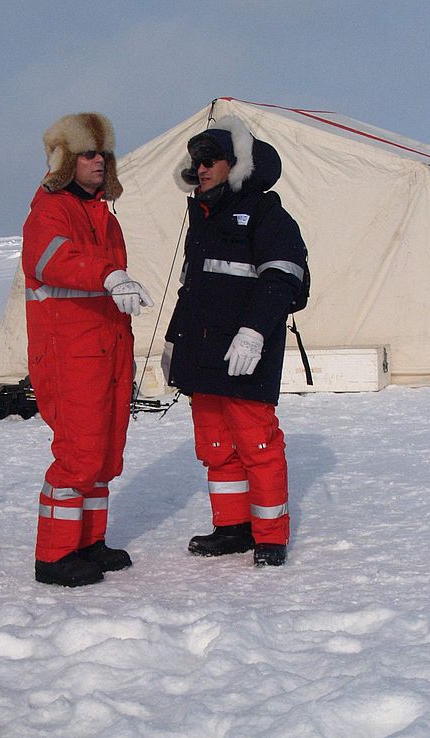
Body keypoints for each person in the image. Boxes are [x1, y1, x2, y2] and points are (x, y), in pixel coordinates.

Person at [163, 116, 307, 567]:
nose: (201, 168)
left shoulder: (267, 214)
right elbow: (193, 289)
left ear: (237, 164)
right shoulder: (204, 216)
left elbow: (285, 279)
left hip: (246, 355)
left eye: (211, 160)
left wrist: (254, 333)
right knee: (215, 446)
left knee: (257, 445)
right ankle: (233, 528)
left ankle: (269, 535)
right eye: (197, 161)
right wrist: (174, 344)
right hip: (203, 354)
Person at [22, 112, 153, 587]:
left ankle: (87, 541)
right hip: (69, 354)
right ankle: (54, 556)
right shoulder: (49, 210)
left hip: (106, 350)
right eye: (88, 154)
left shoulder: (102, 215)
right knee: (78, 453)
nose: (99, 161)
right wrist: (108, 274)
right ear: (65, 161)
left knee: (102, 453)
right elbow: (53, 258)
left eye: (103, 153)